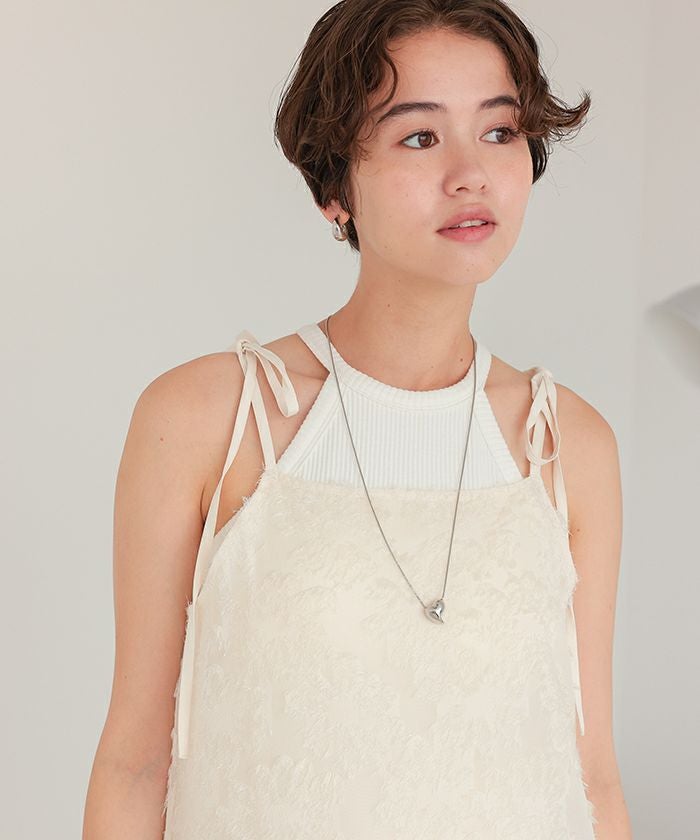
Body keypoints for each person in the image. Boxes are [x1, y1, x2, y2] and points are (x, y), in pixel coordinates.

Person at [83, 1, 632, 838]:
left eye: (499, 131)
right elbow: (135, 767)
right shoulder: (211, 419)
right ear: (335, 187)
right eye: (420, 136)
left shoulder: (566, 445)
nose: (471, 173)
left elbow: (593, 779)